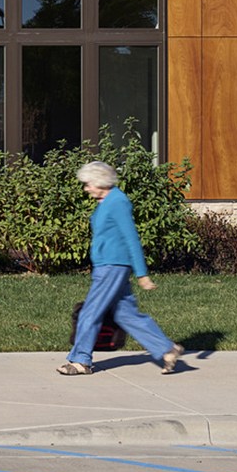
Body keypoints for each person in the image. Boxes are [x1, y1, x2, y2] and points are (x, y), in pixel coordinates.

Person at [59, 160, 187, 376]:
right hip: (108, 265)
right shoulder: (107, 201)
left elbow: (131, 238)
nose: (86, 188)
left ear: (100, 182)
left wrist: (142, 273)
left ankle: (81, 360)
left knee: (90, 312)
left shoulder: (117, 201)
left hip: (112, 266)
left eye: (88, 183)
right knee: (126, 314)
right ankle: (167, 349)